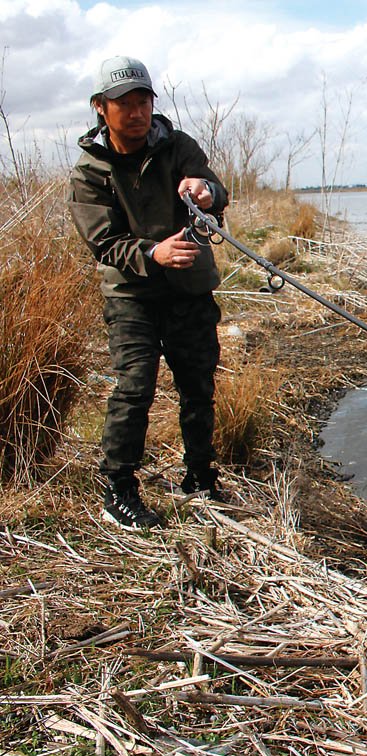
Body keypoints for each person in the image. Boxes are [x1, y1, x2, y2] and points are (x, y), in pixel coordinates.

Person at [68, 56, 229, 530]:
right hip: (131, 296)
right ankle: (119, 491)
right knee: (134, 386)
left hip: (189, 288)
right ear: (101, 108)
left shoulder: (179, 146)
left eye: (144, 101)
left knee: (198, 385)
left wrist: (205, 191)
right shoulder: (89, 171)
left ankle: (200, 476)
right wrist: (153, 253)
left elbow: (214, 190)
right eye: (124, 104)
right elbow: (104, 242)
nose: (136, 112)